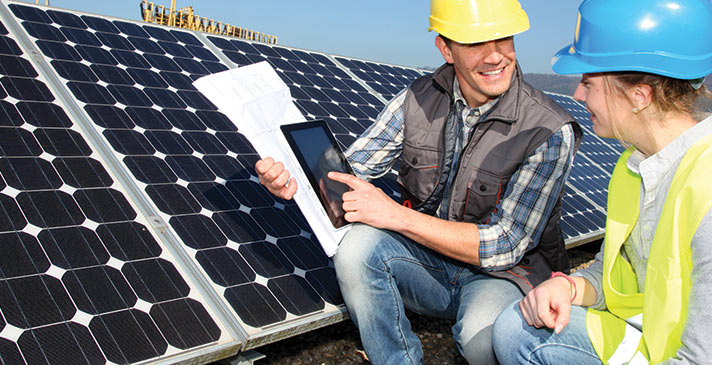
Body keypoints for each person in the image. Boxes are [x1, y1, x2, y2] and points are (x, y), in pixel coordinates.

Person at [256, 0, 582, 363]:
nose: (495, 57)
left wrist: (396, 215)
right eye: (475, 43)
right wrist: (297, 181)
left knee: (485, 342)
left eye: (502, 39)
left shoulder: (549, 129)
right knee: (356, 250)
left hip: (505, 277)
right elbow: (352, 170)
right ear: (445, 48)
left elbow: (506, 244)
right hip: (430, 266)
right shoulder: (416, 100)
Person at [492, 0, 712, 363]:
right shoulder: (635, 166)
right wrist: (569, 286)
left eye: (588, 82)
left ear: (640, 95)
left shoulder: (705, 189)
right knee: (517, 327)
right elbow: (620, 269)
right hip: (651, 344)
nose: (578, 95)